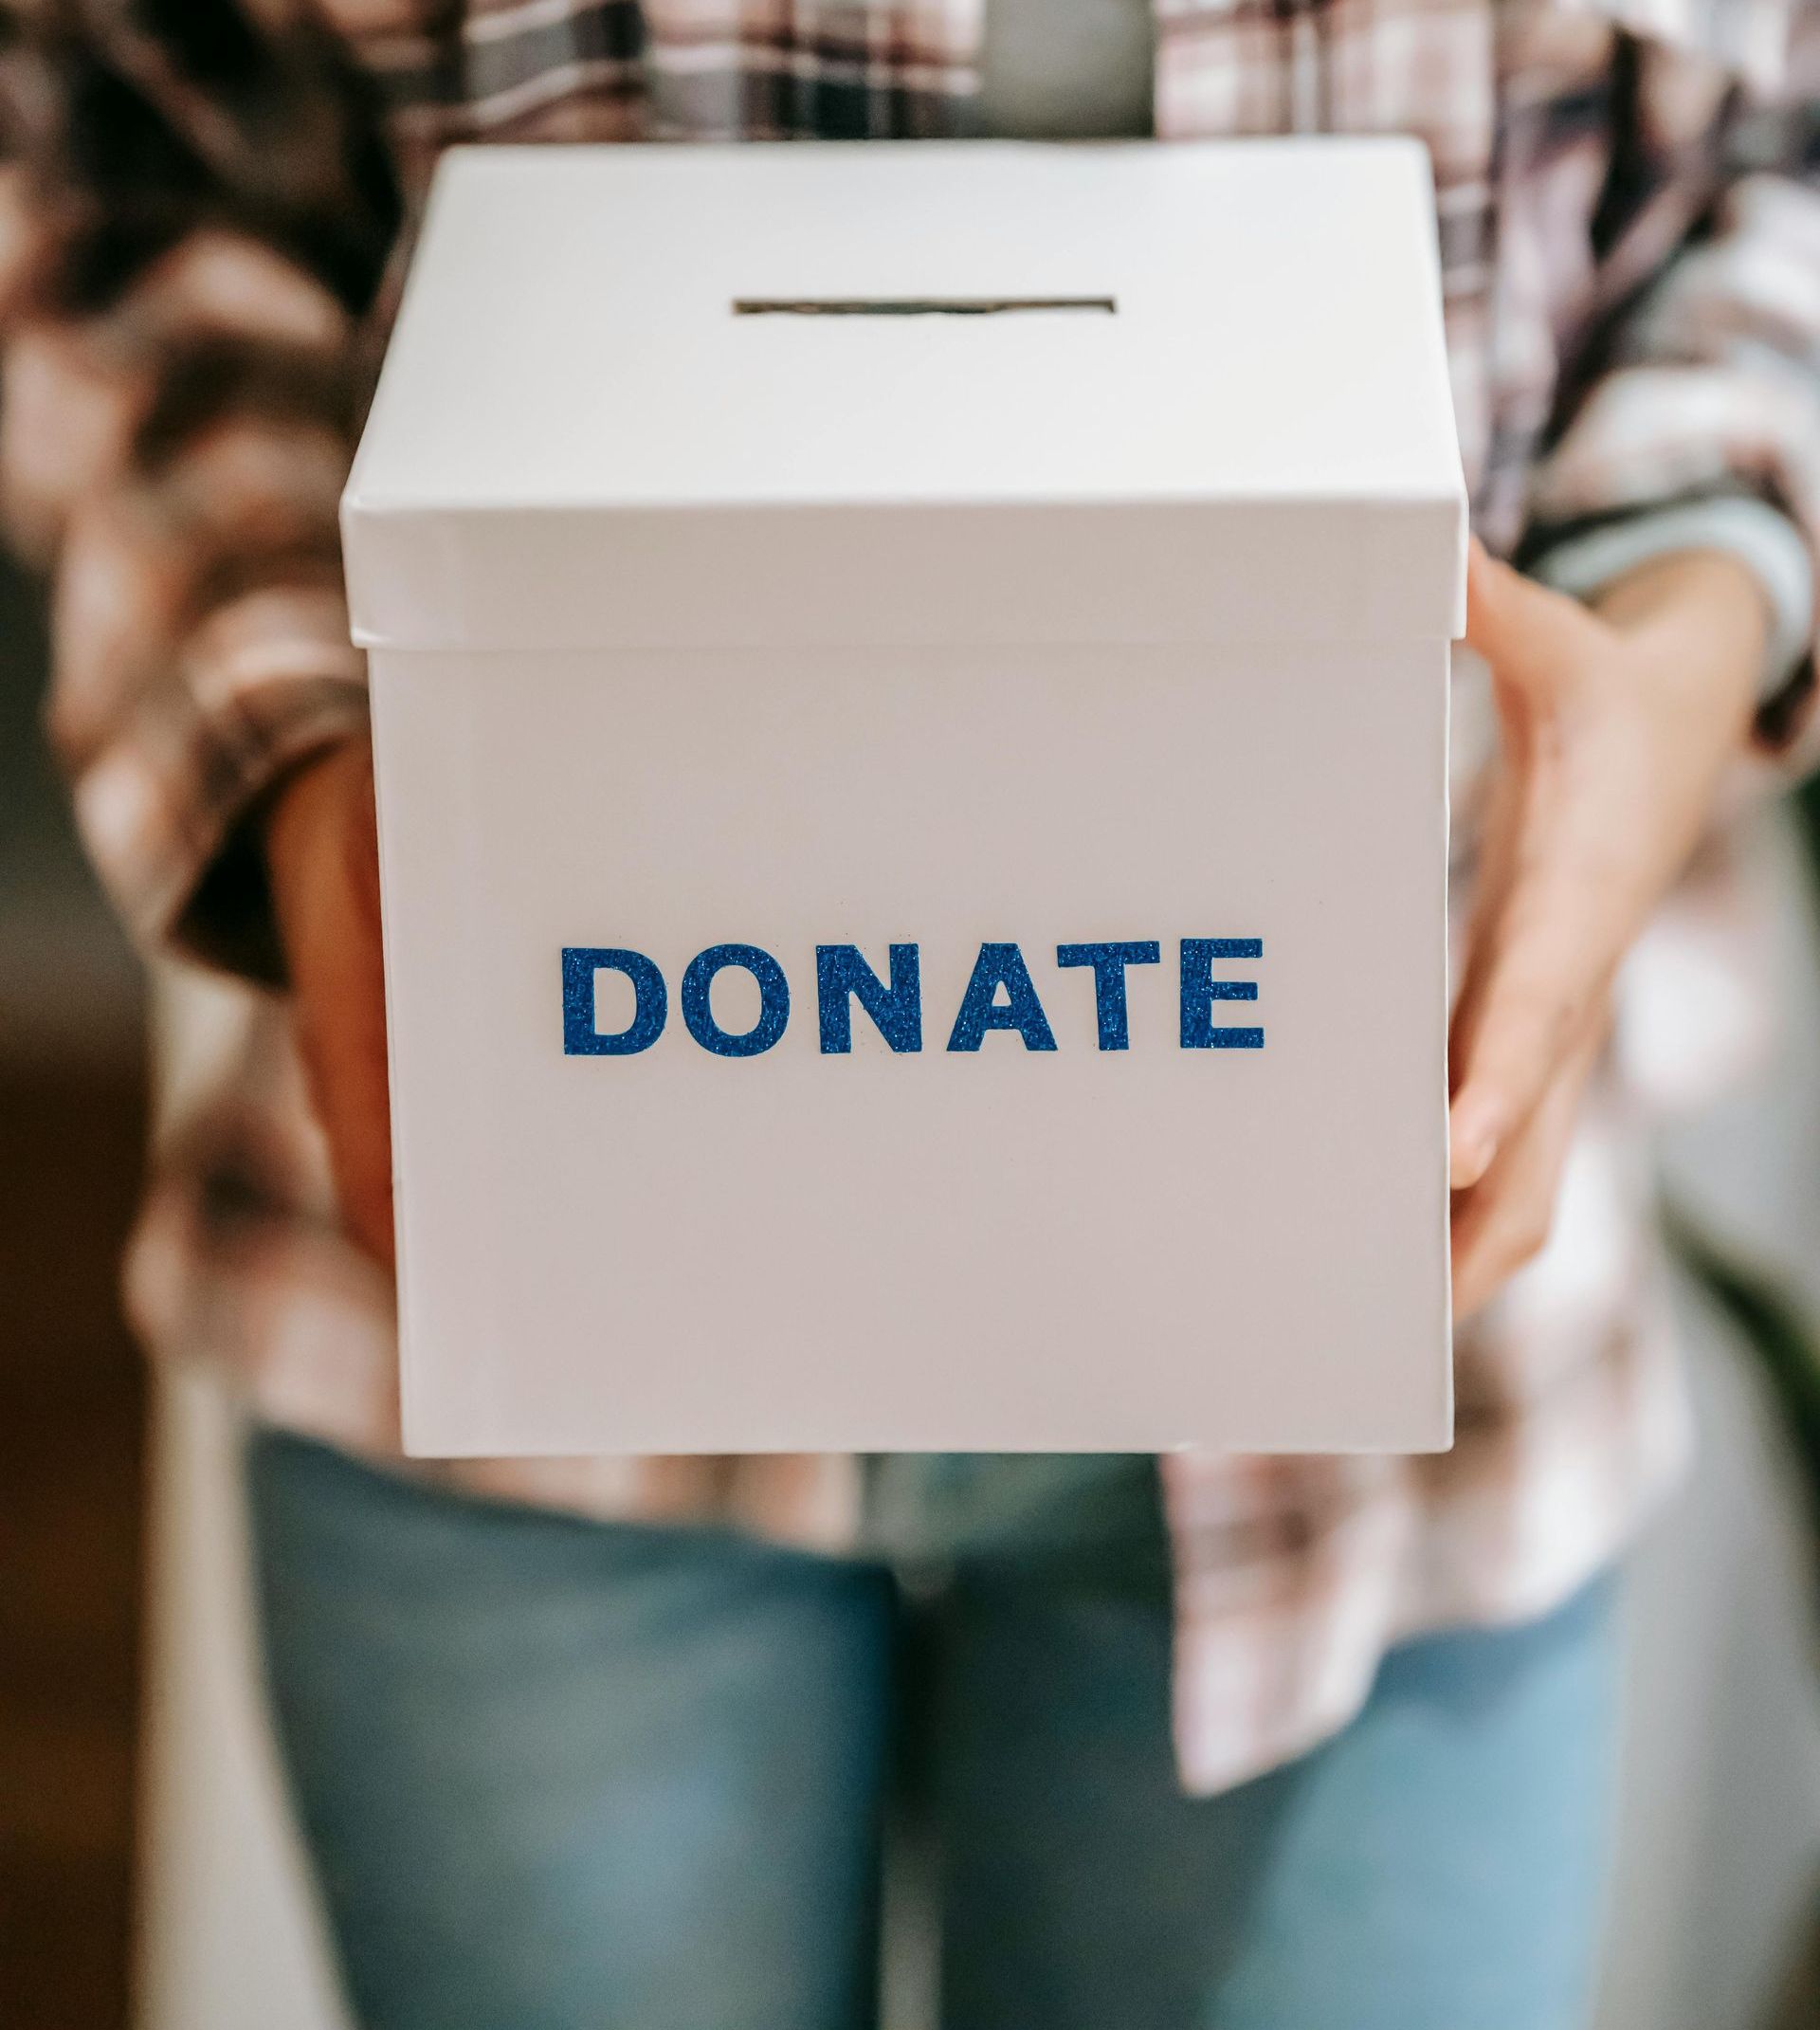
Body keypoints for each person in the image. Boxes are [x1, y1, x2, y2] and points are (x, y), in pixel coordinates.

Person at [3, 3, 1816, 2025]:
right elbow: (81, 129)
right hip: (517, 1257)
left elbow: (1788, 167)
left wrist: (1688, 625)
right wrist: (295, 735)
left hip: (1390, 1325)